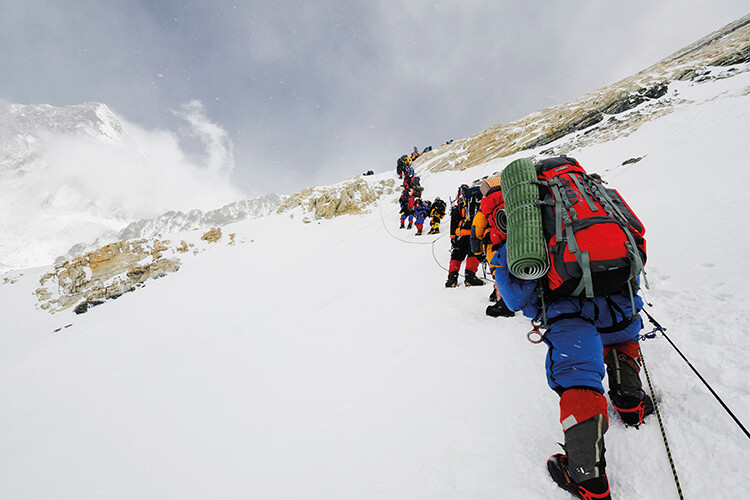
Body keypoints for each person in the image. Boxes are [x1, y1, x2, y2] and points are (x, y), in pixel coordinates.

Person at [492, 157, 652, 500]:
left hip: (567, 311)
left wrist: (500, 260)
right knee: (621, 340)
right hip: (619, 299)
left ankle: (587, 477)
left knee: (578, 374)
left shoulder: (528, 218)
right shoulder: (601, 197)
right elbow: (637, 242)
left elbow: (516, 296)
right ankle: (630, 404)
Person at [470, 181, 514, 317]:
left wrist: (477, 252)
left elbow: (476, 230)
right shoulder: (513, 197)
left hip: (496, 245)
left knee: (500, 274)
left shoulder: (486, 205)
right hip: (516, 241)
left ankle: (505, 304)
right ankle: (503, 295)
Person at [445, 184, 484, 288]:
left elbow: (454, 221)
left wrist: (452, 237)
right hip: (474, 232)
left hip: (460, 234)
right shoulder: (477, 203)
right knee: (473, 252)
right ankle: (470, 277)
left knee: (456, 255)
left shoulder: (460, 204)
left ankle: (452, 278)